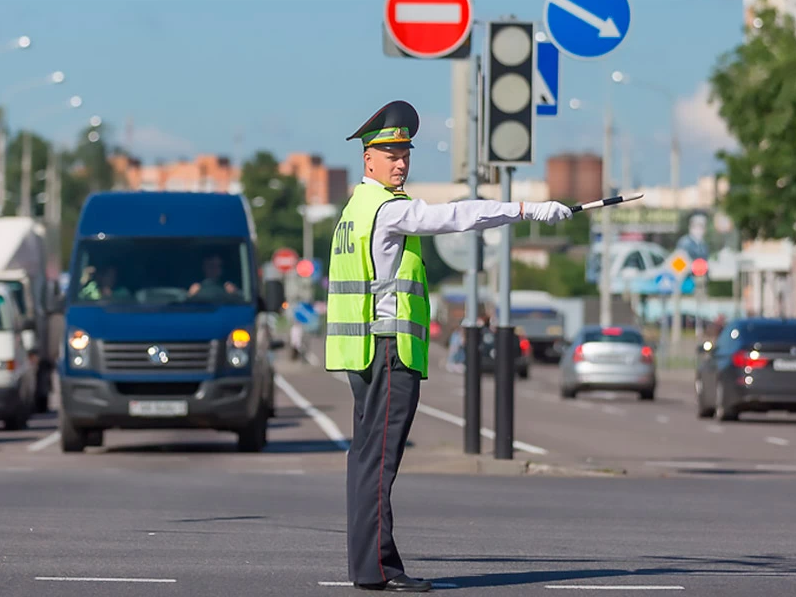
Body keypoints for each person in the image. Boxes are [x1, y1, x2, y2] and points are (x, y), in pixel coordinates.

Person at [324, 100, 571, 592]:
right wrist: (527, 209)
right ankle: (375, 570)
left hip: (362, 355)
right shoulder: (387, 210)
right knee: (379, 463)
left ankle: (373, 565)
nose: (400, 162)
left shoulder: (352, 211)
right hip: (388, 350)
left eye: (405, 153)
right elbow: (458, 216)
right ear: (367, 158)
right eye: (389, 152)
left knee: (367, 459)